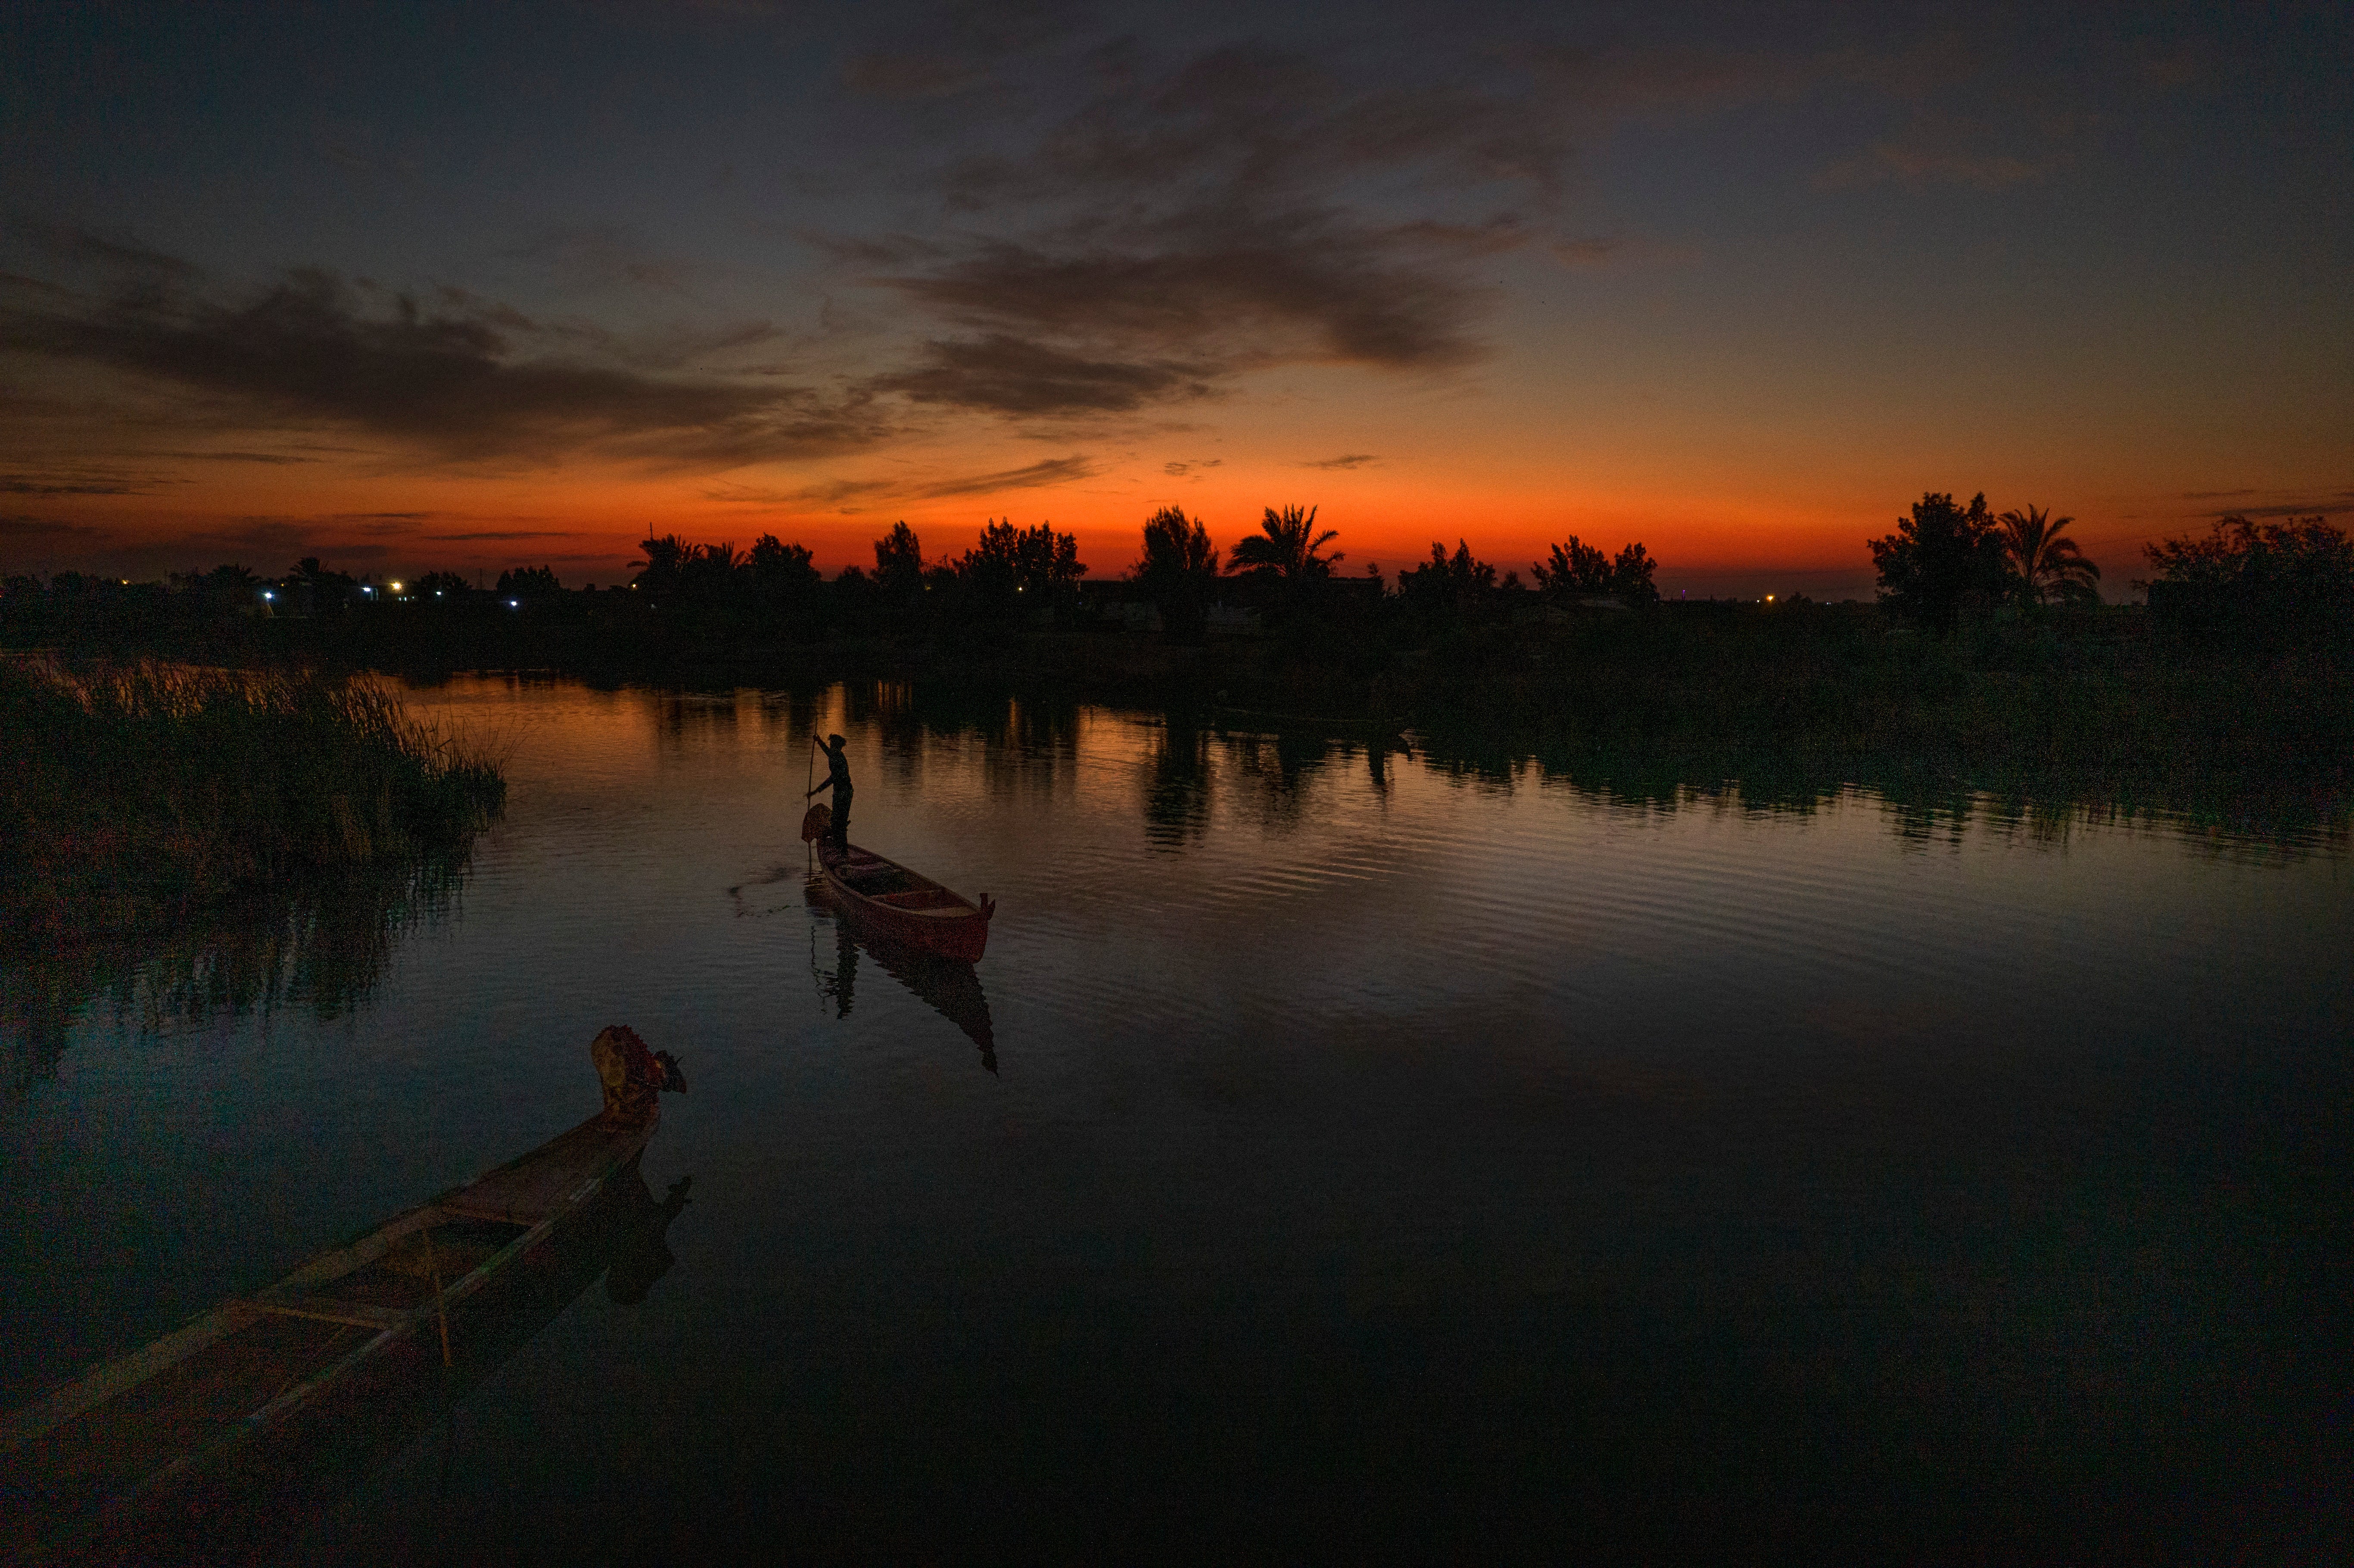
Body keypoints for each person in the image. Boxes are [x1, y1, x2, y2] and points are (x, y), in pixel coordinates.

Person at [806, 732, 853, 849]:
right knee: (838, 821)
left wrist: (817, 791)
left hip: (844, 792)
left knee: (839, 822)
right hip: (841, 792)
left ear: (836, 747)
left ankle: (841, 849)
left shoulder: (838, 757)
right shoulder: (835, 755)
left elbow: (833, 778)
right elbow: (828, 752)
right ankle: (841, 846)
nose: (831, 746)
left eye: (832, 744)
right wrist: (819, 741)